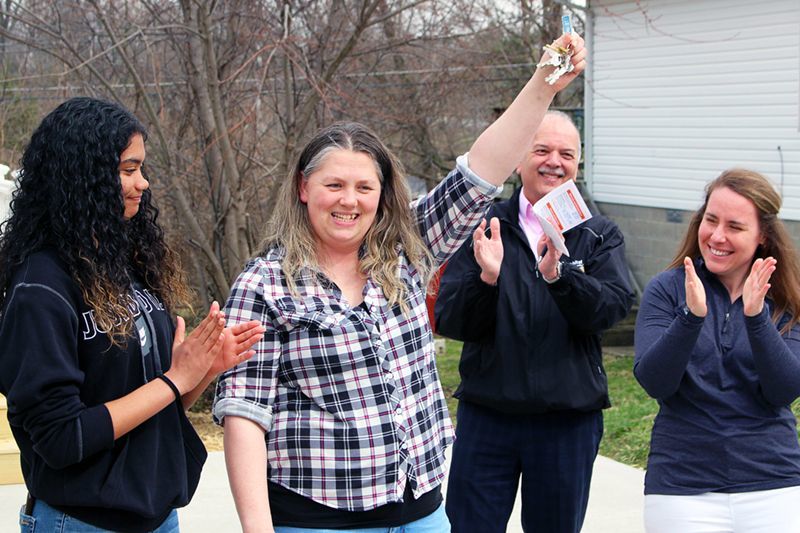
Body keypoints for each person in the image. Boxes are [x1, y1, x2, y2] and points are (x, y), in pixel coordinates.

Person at [211, 33, 586, 533]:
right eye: (334, 185)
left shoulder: (408, 251)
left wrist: (544, 85)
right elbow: (244, 417)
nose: (350, 201)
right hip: (316, 521)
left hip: (422, 514)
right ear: (304, 189)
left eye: (365, 187)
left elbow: (480, 172)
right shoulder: (264, 287)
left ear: (382, 193)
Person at [0, 97, 265, 533]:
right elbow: (63, 439)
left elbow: (155, 406)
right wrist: (175, 378)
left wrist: (200, 370)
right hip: (81, 522)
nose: (142, 183)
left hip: (156, 517)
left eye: (141, 168)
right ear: (81, 178)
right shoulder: (40, 289)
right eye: (128, 170)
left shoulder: (124, 269)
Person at [434, 110, 635, 533]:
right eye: (541, 149)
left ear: (578, 164)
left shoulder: (598, 232)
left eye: (567, 153)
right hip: (489, 416)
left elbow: (610, 309)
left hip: (567, 421)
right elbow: (450, 318)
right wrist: (486, 279)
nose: (554, 161)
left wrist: (560, 277)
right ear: (520, 158)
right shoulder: (484, 224)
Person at [634, 169, 800, 533]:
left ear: (763, 237)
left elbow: (784, 390)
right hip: (681, 487)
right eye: (710, 220)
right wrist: (691, 317)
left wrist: (756, 319)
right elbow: (655, 382)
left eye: (735, 227)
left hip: (774, 484)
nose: (717, 236)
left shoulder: (787, 298)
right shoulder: (668, 288)